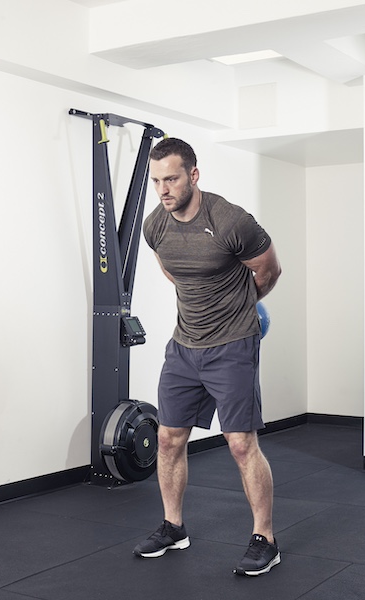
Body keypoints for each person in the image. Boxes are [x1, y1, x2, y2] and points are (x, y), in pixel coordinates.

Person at [133, 138, 282, 576]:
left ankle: (266, 539)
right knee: (167, 438)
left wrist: (238, 306)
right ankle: (173, 526)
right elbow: (172, 270)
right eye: (156, 180)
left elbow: (268, 270)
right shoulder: (154, 226)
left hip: (233, 343)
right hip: (184, 346)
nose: (163, 188)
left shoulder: (232, 220)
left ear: (193, 175)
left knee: (240, 444)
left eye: (172, 178)